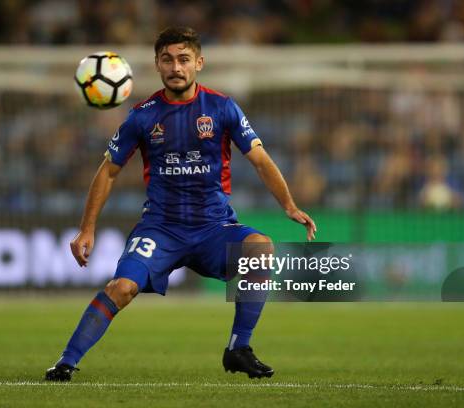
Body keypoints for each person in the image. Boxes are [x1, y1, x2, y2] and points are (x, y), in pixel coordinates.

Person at [45, 26, 316, 382]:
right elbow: (108, 171)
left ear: (199, 63)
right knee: (121, 288)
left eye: (184, 59)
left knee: (260, 247)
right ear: (157, 64)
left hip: (213, 228)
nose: (176, 67)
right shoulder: (143, 116)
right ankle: (65, 362)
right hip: (161, 228)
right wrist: (87, 227)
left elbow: (261, 159)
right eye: (168, 59)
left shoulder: (222, 108)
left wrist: (289, 206)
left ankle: (238, 349)